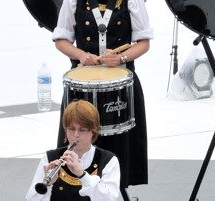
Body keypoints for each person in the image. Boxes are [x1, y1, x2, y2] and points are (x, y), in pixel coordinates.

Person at [53, 0, 150, 189]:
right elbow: (61, 40)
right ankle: (72, 188)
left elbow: (144, 43)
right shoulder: (73, 1)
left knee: (116, 140)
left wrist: (121, 58)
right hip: (82, 83)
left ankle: (109, 194)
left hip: (120, 84)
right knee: (78, 134)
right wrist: (81, 55)